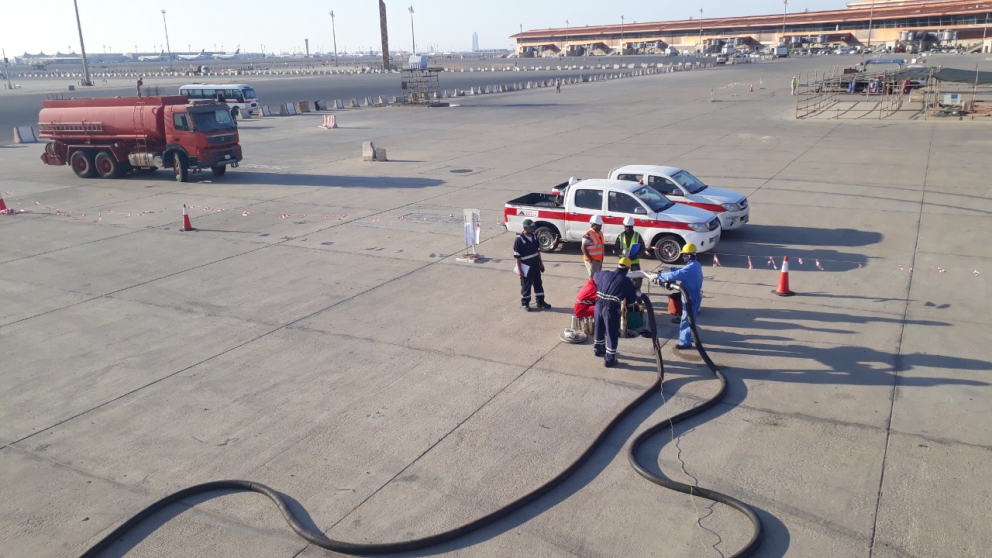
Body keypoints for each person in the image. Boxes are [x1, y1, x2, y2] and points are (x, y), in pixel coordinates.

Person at [655, 243, 703, 350]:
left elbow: (676, 275)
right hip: (692, 295)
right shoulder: (695, 265)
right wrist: (671, 268)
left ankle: (685, 342)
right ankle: (689, 337)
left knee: (686, 319)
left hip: (690, 297)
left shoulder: (690, 268)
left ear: (690, 255)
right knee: (690, 319)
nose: (683, 256)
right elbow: (681, 272)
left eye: (685, 254)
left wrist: (658, 276)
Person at [593, 257, 639, 367]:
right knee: (611, 333)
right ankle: (610, 359)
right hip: (611, 308)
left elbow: (595, 275)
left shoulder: (603, 274)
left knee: (599, 328)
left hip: (598, 305)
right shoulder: (626, 281)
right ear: (627, 269)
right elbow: (631, 301)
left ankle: (598, 349)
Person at [514, 219, 551, 312]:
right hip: (526, 265)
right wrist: (519, 270)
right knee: (526, 285)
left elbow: (537, 252)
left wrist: (541, 264)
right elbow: (517, 257)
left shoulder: (534, 236)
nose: (532, 231)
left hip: (535, 264)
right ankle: (525, 303)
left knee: (538, 283)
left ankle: (540, 302)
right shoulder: (519, 240)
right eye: (530, 229)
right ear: (525, 228)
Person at [614, 216, 644, 290]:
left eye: (630, 227)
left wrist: (637, 255)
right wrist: (622, 251)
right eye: (627, 227)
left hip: (634, 261)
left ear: (633, 226)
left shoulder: (637, 235)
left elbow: (642, 248)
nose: (628, 228)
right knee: (620, 278)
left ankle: (637, 293)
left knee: (638, 279)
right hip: (623, 261)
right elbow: (615, 248)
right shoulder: (620, 236)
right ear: (624, 226)